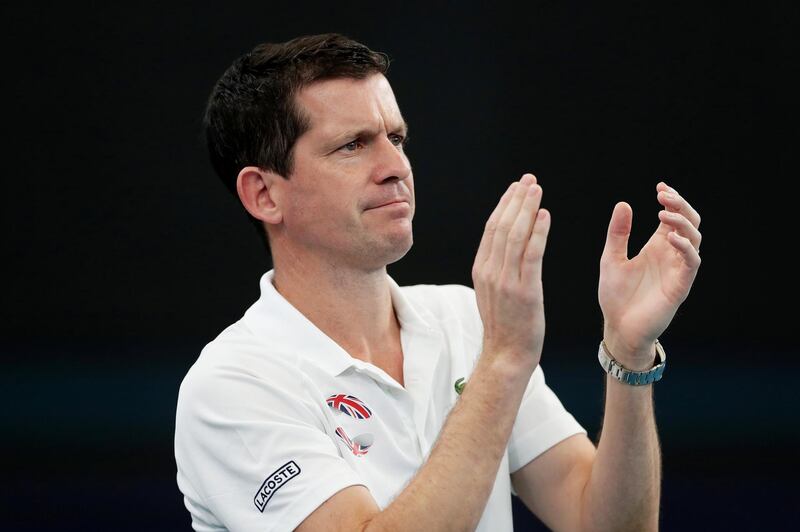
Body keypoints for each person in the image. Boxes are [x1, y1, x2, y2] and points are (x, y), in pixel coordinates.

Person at [174, 33, 702, 532]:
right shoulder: (230, 386)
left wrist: (629, 353)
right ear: (264, 195)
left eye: (396, 138)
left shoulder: (465, 320)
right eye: (353, 145)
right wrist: (503, 360)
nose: (395, 166)